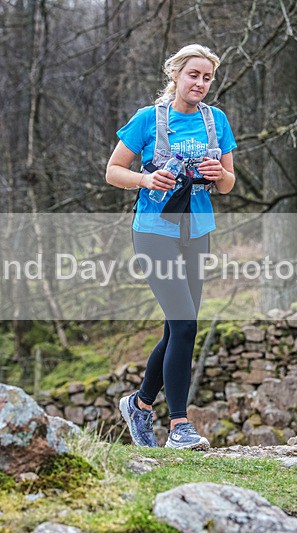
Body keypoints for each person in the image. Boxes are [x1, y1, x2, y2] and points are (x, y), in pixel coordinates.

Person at [105, 43, 236, 450]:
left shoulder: (216, 121)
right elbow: (112, 171)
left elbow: (229, 183)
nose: (200, 83)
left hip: (197, 230)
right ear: (176, 75)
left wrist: (218, 173)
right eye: (193, 74)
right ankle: (179, 426)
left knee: (178, 328)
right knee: (184, 324)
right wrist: (146, 180)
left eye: (207, 77)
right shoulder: (149, 119)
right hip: (154, 231)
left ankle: (140, 404)